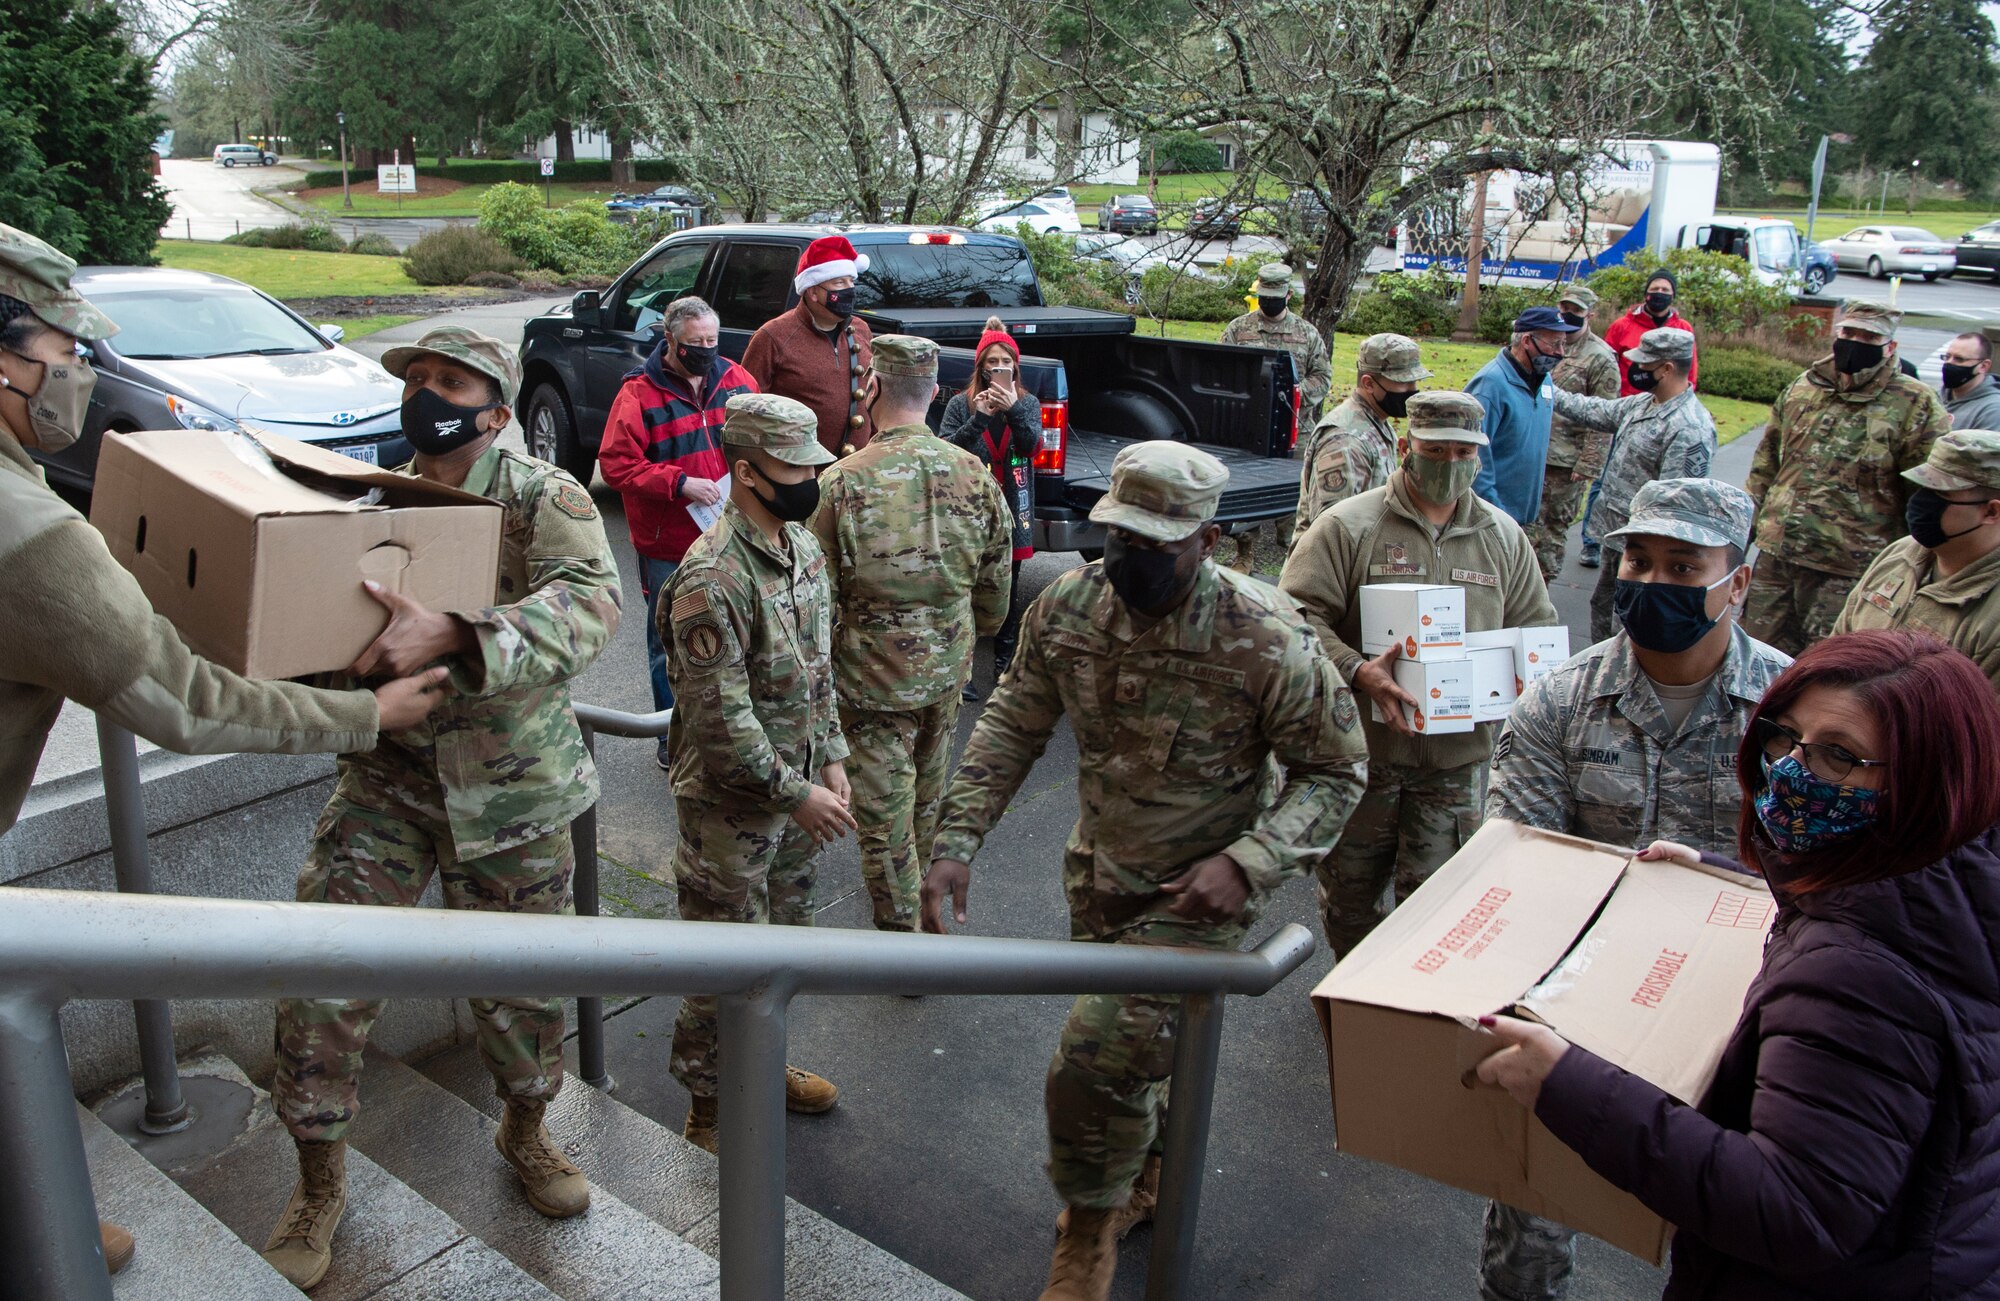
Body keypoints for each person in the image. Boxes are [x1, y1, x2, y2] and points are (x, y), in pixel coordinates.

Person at [0, 222, 447, 1284]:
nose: (78, 373)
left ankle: (31, 1214)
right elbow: (181, 698)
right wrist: (364, 716)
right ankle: (36, 1232)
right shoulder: (27, 528)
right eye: (64, 351)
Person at [923, 441, 1368, 1301]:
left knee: (1095, 1055)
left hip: (1200, 900)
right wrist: (955, 838)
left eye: (1155, 546)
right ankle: (1147, 1177)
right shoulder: (1066, 606)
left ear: (1206, 540)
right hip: (1101, 875)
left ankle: (1089, 1226)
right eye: (1119, 538)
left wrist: (1253, 861)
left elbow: (1336, 770)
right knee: (1142, 1057)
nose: (1131, 560)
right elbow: (1015, 718)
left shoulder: (1265, 634)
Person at [1476, 628, 2000, 1301]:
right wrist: (1730, 879)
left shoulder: (1860, 973)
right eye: (1782, 736)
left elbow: (1796, 1208)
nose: (1790, 770)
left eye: (1840, 756)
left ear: (1930, 778)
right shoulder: (1952, 870)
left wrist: (1568, 1083)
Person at [265, 326, 622, 1288]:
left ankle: (526, 1131)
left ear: (497, 410)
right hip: (388, 782)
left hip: (514, 794)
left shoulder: (545, 496)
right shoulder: (372, 495)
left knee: (523, 988)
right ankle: (317, 1178)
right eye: (416, 378)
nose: (426, 393)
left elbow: (594, 602)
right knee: (324, 976)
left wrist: (461, 632)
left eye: (450, 380)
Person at [1478, 478, 1790, 1301]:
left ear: (1740, 581)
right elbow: (1523, 863)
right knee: (1531, 1228)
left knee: (1732, 1239)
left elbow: (1825, 881)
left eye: (1685, 566)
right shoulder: (1560, 699)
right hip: (1581, 1010)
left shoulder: (1794, 716)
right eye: (1639, 560)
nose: (1653, 582)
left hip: (1745, 1017)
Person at [1279, 391, 1557, 958]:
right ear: (1408, 446)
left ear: (1479, 455)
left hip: (1457, 764)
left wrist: (1528, 681)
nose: (1450, 465)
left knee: (1437, 905)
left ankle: (1407, 1015)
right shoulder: (1349, 527)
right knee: (1350, 899)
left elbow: (1536, 628)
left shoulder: (1502, 538)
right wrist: (1357, 671)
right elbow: (1295, 618)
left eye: (1463, 452)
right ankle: (1354, 1004)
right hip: (1364, 757)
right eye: (1436, 450)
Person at [659, 392, 854, 1153]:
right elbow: (720, 723)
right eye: (793, 465)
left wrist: (831, 754)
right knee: (722, 961)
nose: (810, 476)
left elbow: (819, 668)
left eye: (813, 462)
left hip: (798, 799)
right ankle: (708, 1105)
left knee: (782, 950)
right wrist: (798, 792)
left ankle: (762, 1067)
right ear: (744, 471)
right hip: (733, 813)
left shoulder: (803, 546)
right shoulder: (713, 577)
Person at [809, 336, 1012, 932]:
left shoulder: (841, 483)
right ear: (937, 394)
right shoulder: (975, 476)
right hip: (946, 675)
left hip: (871, 683)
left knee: (885, 825)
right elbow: (996, 595)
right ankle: (920, 924)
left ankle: (908, 943)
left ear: (872, 390)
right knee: (924, 804)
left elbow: (813, 597)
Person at [596, 296, 758, 763]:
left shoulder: (735, 378)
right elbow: (617, 465)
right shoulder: (638, 394)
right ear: (669, 340)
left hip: (731, 535)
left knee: (739, 633)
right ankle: (672, 735)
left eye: (712, 339)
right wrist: (680, 483)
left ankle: (734, 730)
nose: (707, 349)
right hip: (669, 544)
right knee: (670, 639)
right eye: (695, 343)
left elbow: (761, 435)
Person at [1744, 300, 1950, 656]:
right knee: (1755, 659)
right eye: (1849, 332)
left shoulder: (1915, 403)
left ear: (1890, 347)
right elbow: (1765, 467)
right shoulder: (1802, 389)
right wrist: (1741, 537)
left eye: (1869, 336)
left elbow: (1926, 496)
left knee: (1831, 668)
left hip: (1850, 569)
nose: (1856, 342)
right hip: (1778, 557)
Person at [1549, 327, 1716, 641]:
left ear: (1666, 368)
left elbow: (1676, 507)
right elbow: (1594, 411)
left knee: (1628, 623)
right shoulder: (1642, 404)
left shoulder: (1689, 427)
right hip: (1618, 539)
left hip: (1646, 553)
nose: (1637, 370)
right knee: (1604, 606)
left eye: (1644, 364)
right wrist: (1547, 387)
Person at [1834, 429, 2000, 688]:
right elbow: (1835, 648)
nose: (1920, 501)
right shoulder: (1902, 553)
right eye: (1923, 486)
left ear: (1991, 511)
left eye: (1941, 494)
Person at [939, 315, 1041, 700]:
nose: (999, 369)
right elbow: (947, 452)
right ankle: (962, 671)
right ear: (980, 369)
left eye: (1005, 363)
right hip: (970, 511)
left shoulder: (1028, 403)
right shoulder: (961, 405)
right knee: (965, 587)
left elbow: (1032, 446)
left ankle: (1004, 663)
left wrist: (1012, 409)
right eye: (991, 363)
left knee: (1009, 588)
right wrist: (980, 419)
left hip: (1013, 508)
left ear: (1015, 366)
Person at [1219, 262, 1333, 571]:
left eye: (1274, 296)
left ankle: (1293, 554)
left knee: (1295, 493)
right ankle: (1244, 552)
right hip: (1248, 428)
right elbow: (1221, 370)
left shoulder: (1306, 333)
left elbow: (1322, 377)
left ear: (1289, 295)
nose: (1268, 302)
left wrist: (1292, 395)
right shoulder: (1238, 329)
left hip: (1294, 427)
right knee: (1244, 489)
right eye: (1264, 295)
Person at [740, 235, 875, 458]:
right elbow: (747, 413)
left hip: (857, 473)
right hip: (800, 473)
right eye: (839, 283)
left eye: (852, 281)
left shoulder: (860, 329)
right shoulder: (772, 337)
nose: (849, 290)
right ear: (813, 291)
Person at [1291, 332, 1430, 547]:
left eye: (1415, 382)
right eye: (1403, 383)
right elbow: (1334, 532)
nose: (1412, 391)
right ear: (1369, 384)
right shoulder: (1345, 441)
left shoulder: (1376, 422)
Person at [1530, 284, 1620, 580]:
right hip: (1533, 451)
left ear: (1590, 314)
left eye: (1576, 311)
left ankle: (1542, 591)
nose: (1568, 315)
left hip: (1566, 461)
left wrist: (1589, 462)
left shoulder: (1600, 357)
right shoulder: (1548, 342)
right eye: (1565, 308)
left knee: (1552, 531)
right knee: (1526, 526)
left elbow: (1604, 414)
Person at [1463, 307, 1580, 526]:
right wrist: (1497, 515)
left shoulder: (1543, 380)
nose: (1561, 352)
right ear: (1527, 340)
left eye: (1564, 343)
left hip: (1523, 516)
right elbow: (1474, 458)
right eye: (1555, 344)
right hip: (1494, 520)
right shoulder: (1489, 386)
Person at [1600, 267, 1699, 397]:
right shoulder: (1621, 326)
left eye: (1665, 290)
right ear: (1646, 293)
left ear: (1672, 296)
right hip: (1626, 403)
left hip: (1668, 403)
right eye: (1654, 289)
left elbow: (1690, 371)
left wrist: (1686, 397)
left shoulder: (1683, 329)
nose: (1659, 292)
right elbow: (1605, 365)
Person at [1939, 330, 2000, 430]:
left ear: (1983, 366)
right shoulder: (1936, 397)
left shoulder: (1993, 410)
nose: (1949, 363)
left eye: (1959, 359)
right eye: (1947, 357)